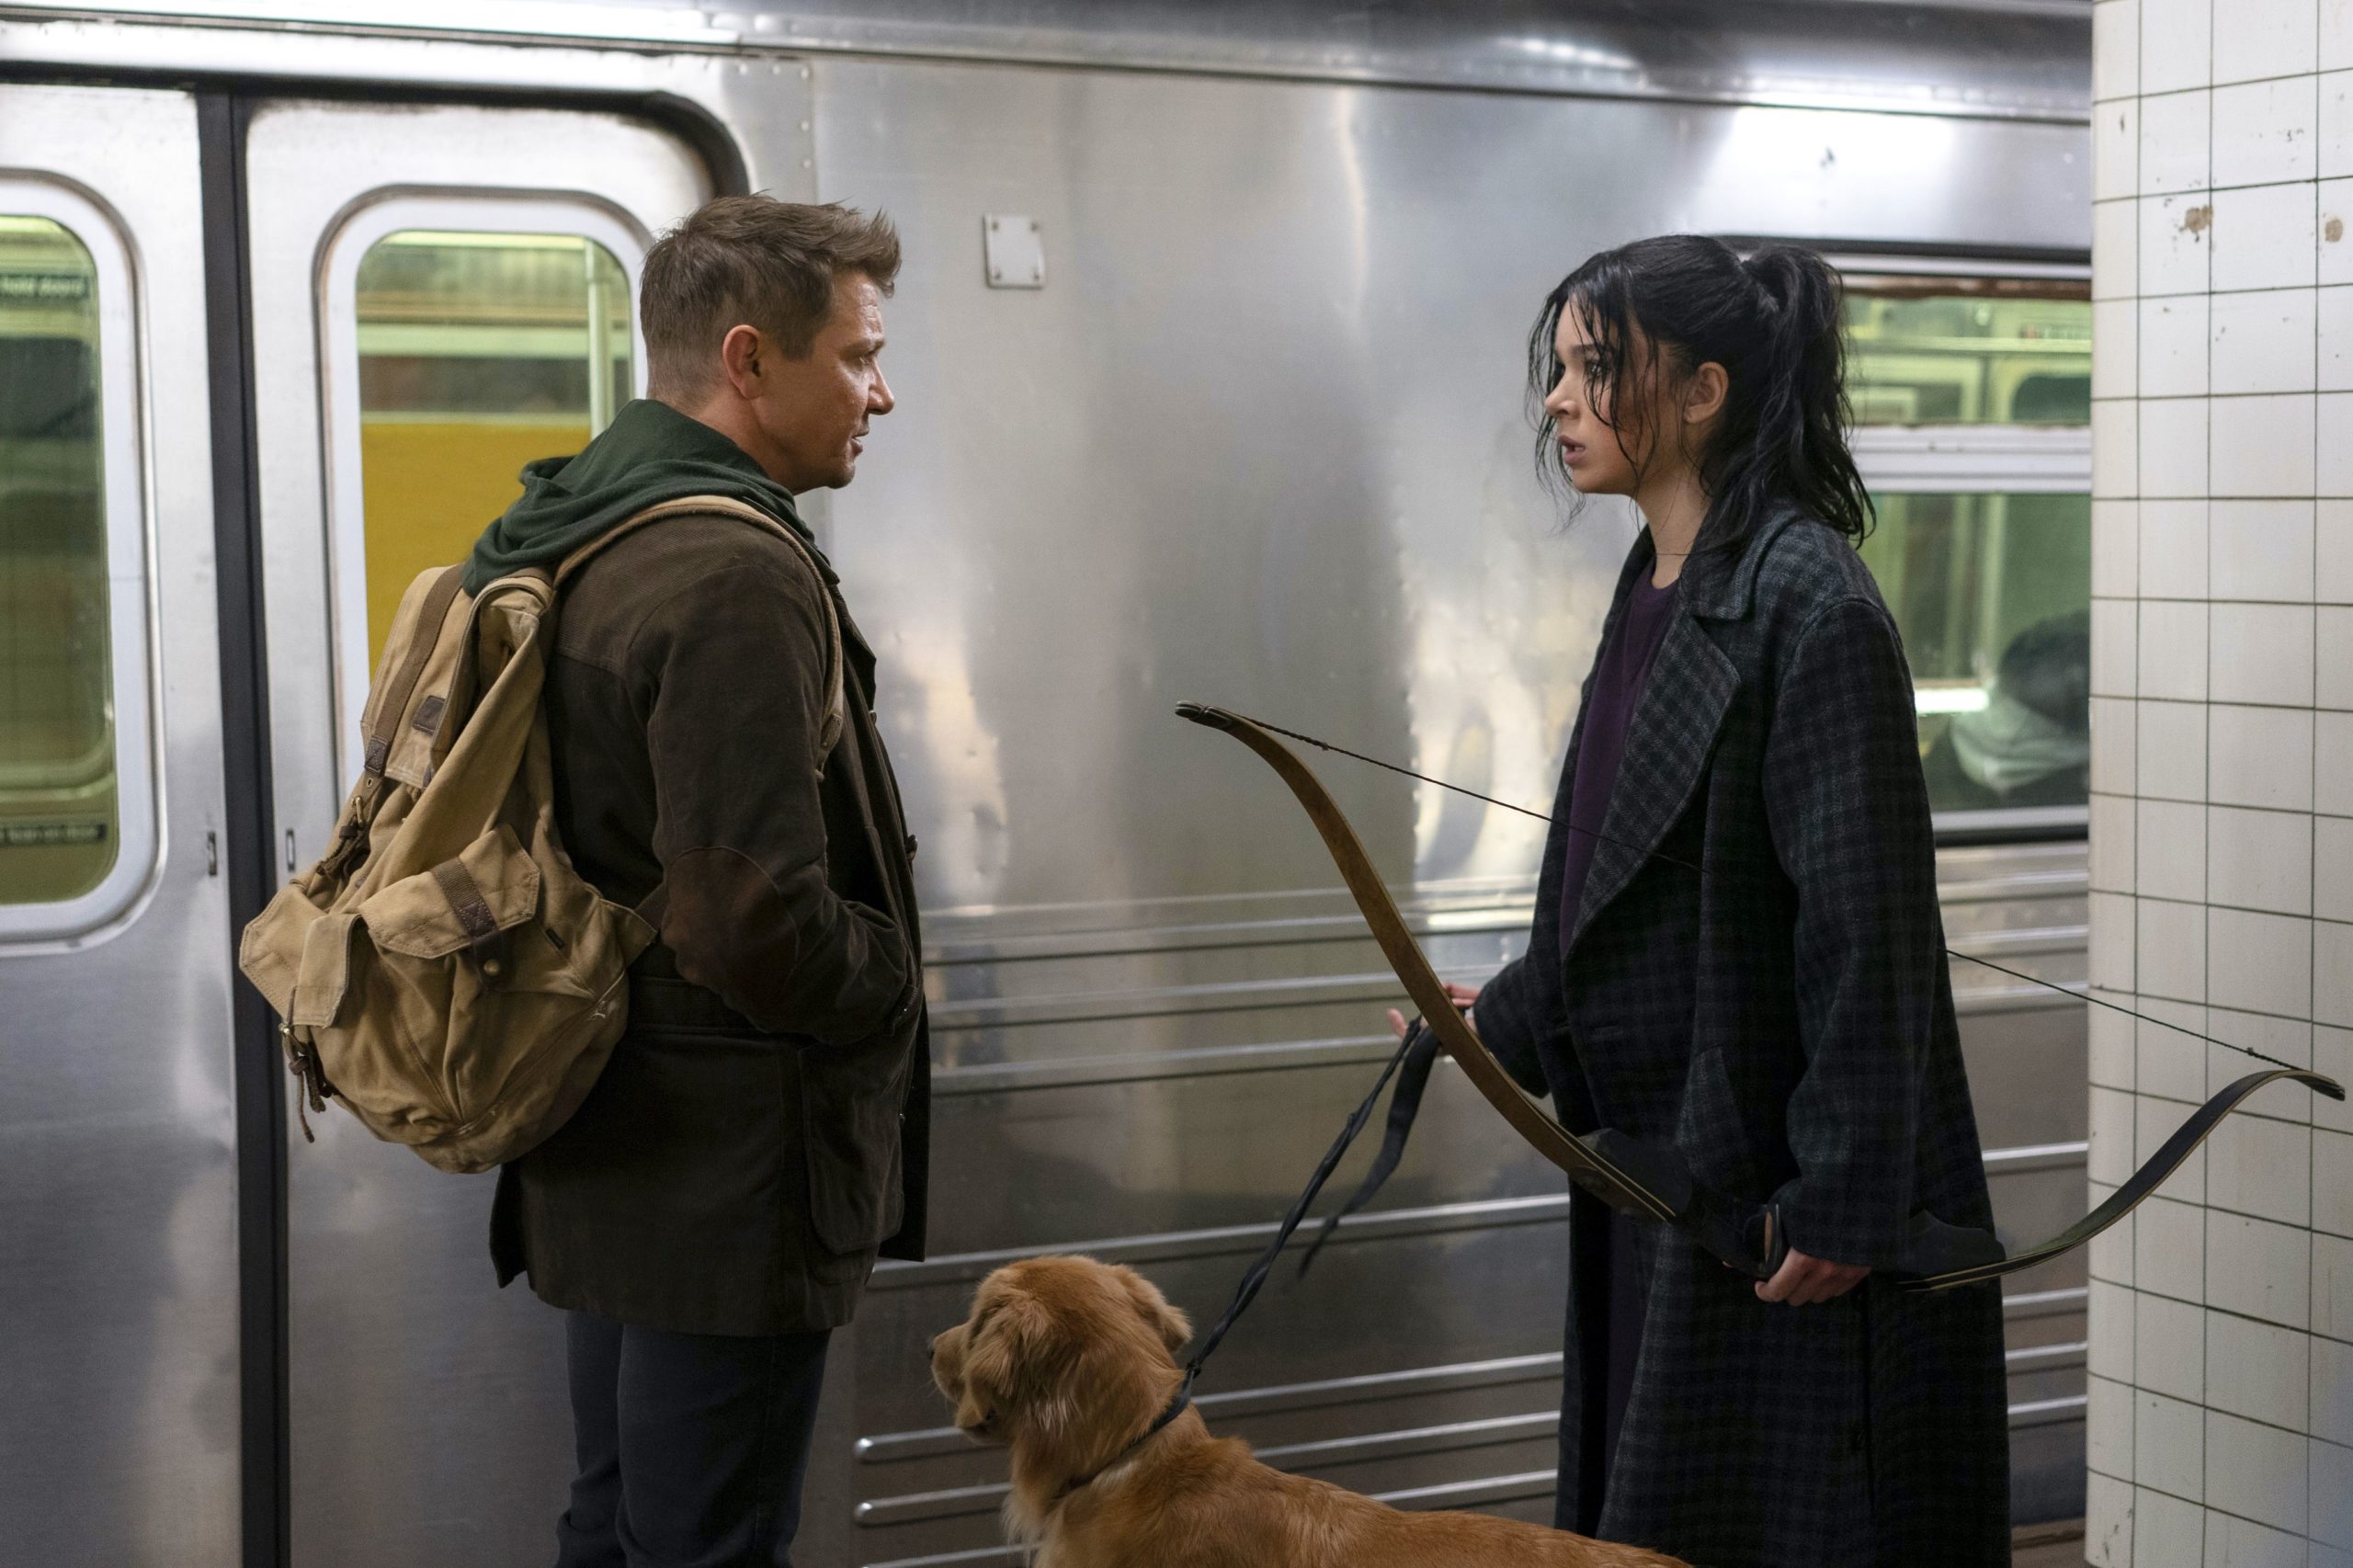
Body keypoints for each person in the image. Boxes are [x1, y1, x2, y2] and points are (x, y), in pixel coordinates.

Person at [1394, 236, 2008, 1565]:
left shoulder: (1809, 596)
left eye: (1595, 368)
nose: (1558, 401)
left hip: (1769, 1200)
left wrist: (1843, 1193)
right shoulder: (1653, 579)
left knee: (1782, 1527)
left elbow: (1868, 931)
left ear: (1703, 389)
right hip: (1660, 1170)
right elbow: (1608, 874)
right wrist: (1491, 1019)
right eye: (1557, 369)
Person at [474, 196, 927, 1568]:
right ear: (748, 360)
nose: (881, 393)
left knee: (619, 1526)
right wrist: (887, 981)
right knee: (709, 1545)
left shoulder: (579, 525)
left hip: (612, 1149)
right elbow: (748, 913)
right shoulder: (733, 572)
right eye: (858, 356)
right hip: (725, 1181)